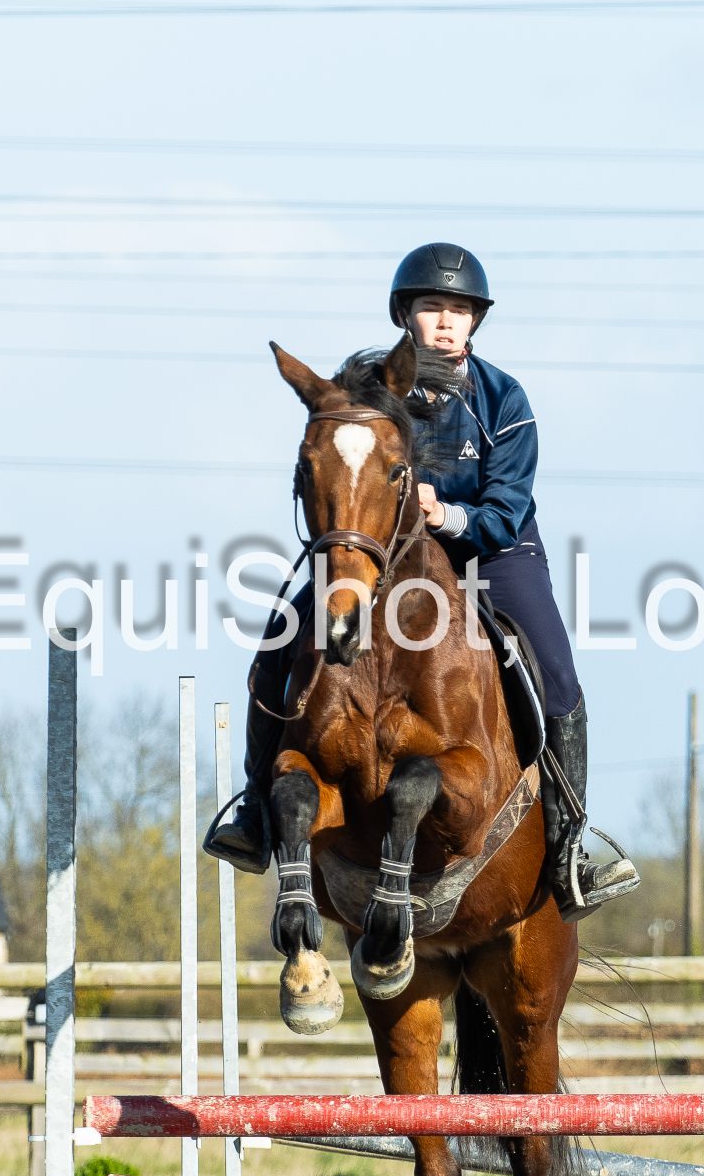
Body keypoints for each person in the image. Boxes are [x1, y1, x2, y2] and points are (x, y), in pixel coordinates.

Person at [204, 242, 641, 919]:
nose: (444, 321)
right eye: (431, 307)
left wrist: (446, 515)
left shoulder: (504, 398)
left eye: (458, 311)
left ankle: (568, 847)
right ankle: (258, 812)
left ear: (475, 321)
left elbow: (506, 508)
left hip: (493, 550)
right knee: (278, 646)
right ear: (404, 314)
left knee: (554, 671)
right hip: (384, 557)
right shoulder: (369, 391)